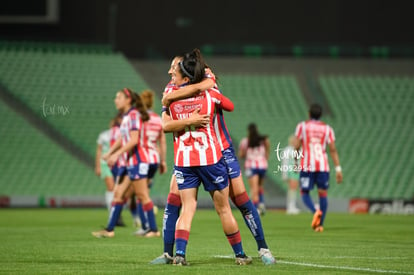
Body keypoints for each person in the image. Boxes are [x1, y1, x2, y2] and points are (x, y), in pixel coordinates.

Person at [150, 54, 275, 265]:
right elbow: (225, 102)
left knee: (240, 200)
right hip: (199, 153)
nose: (170, 71)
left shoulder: (193, 87)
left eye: (174, 67)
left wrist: (179, 96)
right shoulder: (192, 88)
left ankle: (263, 248)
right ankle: (169, 253)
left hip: (220, 149)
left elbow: (221, 100)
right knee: (175, 200)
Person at [92, 88, 160, 238]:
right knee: (118, 194)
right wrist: (110, 153)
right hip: (129, 161)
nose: (115, 100)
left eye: (118, 97)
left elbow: (134, 140)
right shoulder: (127, 116)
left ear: (128, 100)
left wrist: (116, 154)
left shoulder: (134, 115)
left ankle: (154, 230)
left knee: (142, 195)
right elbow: (122, 138)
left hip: (138, 160)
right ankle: (109, 230)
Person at [294, 103, 343, 232]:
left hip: (307, 166)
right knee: (323, 194)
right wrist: (338, 169)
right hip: (323, 166)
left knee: (304, 193)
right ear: (321, 115)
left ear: (309, 114)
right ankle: (320, 225)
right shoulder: (327, 129)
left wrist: (295, 162)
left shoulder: (302, 126)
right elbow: (332, 149)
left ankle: (315, 211)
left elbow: (297, 146)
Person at [133, 89, 167, 235]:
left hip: (141, 159)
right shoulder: (158, 119)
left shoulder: (139, 118)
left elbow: (134, 140)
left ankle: (148, 227)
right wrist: (163, 161)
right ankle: (148, 225)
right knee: (144, 193)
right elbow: (163, 143)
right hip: (154, 159)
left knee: (141, 194)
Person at [238, 123, 270, 216]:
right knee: (260, 186)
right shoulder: (263, 140)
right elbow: (267, 150)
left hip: (251, 166)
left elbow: (241, 154)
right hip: (262, 165)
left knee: (254, 188)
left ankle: (256, 209)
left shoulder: (245, 141)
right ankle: (262, 204)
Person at [281, 135, 301, 214]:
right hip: (290, 171)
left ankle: (292, 206)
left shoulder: (299, 150)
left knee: (293, 189)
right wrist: (285, 174)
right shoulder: (287, 150)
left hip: (296, 171)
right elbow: (284, 162)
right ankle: (290, 206)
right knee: (292, 189)